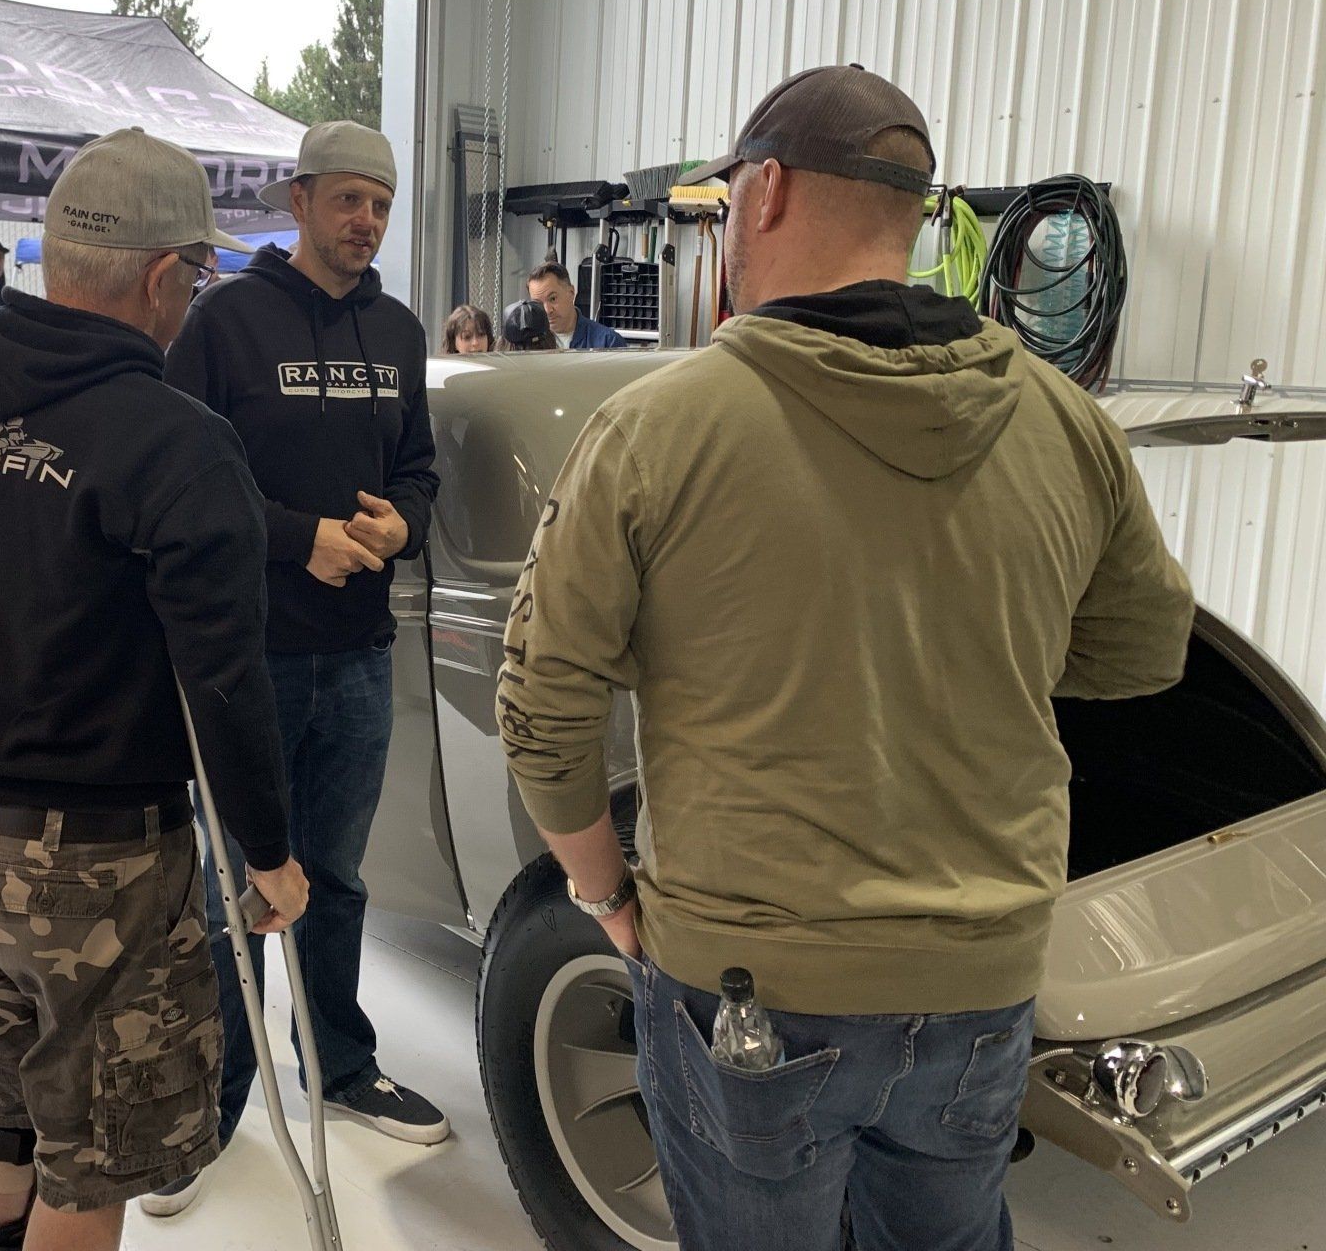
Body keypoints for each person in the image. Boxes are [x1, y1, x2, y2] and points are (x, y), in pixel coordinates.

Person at [496, 65, 1196, 1251]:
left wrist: (605, 894)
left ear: (762, 192)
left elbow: (541, 707)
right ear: (913, 214)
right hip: (983, 978)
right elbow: (1143, 649)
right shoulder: (1064, 420)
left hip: (749, 987)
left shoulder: (660, 429)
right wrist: (967, 655)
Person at [0, 127, 308, 1251]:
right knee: (92, 1155)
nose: (196, 296)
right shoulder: (177, 445)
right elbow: (222, 678)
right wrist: (267, 851)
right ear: (161, 275)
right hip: (101, 858)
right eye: (199, 273)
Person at [158, 118, 446, 1215]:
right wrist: (299, 536)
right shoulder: (226, 324)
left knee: (336, 878)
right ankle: (217, 1095)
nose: (366, 219)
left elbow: (417, 470)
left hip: (361, 655)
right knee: (239, 885)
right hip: (250, 658)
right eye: (347, 200)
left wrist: (399, 529)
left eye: (380, 202)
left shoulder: (401, 329)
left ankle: (339, 1064)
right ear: (299, 201)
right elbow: (186, 480)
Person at [527, 260, 627, 348]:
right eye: (538, 304)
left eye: (553, 298)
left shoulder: (608, 343)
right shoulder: (527, 343)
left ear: (571, 293)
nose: (547, 310)